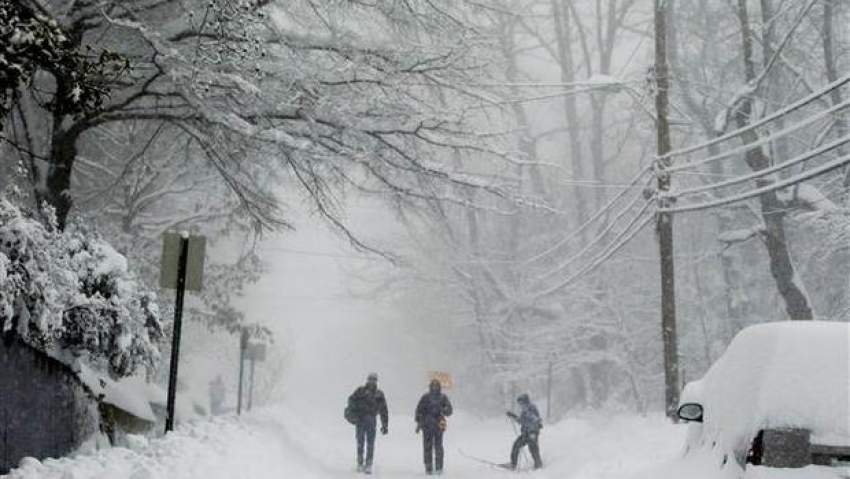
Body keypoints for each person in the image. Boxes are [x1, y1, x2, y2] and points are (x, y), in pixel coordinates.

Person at [346, 372, 389, 474]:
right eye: (370, 379)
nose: (372, 381)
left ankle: (369, 464)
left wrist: (385, 424)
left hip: (371, 420)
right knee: (360, 442)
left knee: (370, 443)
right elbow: (351, 400)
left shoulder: (379, 394)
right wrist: (352, 413)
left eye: (374, 380)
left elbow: (384, 410)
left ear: (376, 381)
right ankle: (360, 463)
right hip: (360, 420)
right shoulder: (360, 391)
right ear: (367, 380)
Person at [415, 379, 453, 475]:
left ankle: (439, 467)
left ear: (439, 387)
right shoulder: (425, 397)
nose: (435, 387)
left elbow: (450, 411)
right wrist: (419, 422)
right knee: (427, 448)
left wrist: (443, 410)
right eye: (433, 386)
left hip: (439, 426)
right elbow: (418, 411)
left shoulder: (443, 397)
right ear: (430, 387)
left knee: (438, 448)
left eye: (436, 386)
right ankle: (428, 468)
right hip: (427, 426)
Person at [506, 393, 543, 470]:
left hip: (532, 433)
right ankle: (513, 464)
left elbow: (536, 419)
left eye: (521, 403)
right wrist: (513, 416)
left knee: (533, 448)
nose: (520, 405)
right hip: (525, 433)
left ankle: (538, 465)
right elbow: (521, 421)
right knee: (516, 445)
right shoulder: (524, 410)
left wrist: (530, 416)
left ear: (525, 401)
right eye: (519, 403)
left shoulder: (532, 408)